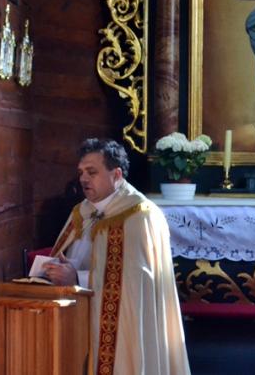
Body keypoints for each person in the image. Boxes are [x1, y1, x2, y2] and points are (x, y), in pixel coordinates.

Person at [43, 138, 190, 375]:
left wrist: (77, 278)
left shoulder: (140, 215)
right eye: (81, 172)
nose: (83, 179)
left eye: (92, 172)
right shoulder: (82, 211)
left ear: (117, 174)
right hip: (78, 317)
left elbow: (133, 285)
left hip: (121, 326)